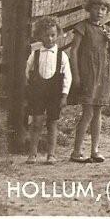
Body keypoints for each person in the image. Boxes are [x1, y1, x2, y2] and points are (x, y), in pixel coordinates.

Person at [68, 0, 110, 163]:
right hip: (88, 75)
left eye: (103, 8)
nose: (99, 12)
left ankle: (95, 150)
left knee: (98, 112)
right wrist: (75, 75)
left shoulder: (106, 30)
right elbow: (73, 51)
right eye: (96, 8)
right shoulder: (82, 27)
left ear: (107, 11)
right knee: (87, 112)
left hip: (102, 76)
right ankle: (76, 152)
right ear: (89, 9)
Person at [25, 16, 72, 164]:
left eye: (53, 35)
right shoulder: (35, 54)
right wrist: (30, 88)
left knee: (52, 123)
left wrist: (64, 96)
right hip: (38, 93)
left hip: (54, 94)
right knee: (36, 122)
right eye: (46, 35)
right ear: (40, 36)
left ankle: (51, 154)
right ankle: (32, 154)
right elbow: (27, 71)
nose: (50, 39)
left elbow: (67, 77)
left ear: (57, 35)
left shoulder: (62, 56)